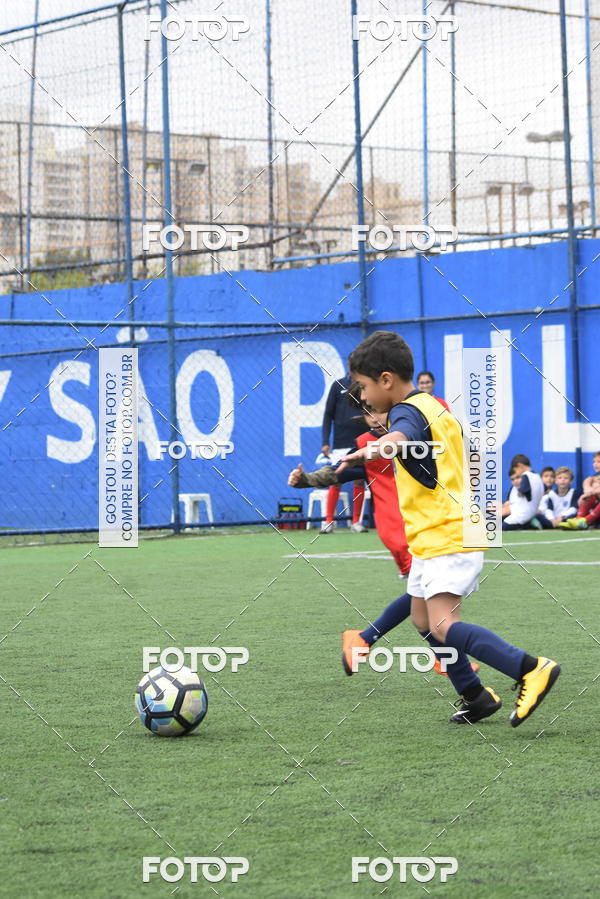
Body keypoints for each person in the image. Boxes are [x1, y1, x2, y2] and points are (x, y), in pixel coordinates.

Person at [337, 330, 560, 726]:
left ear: (386, 380)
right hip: (437, 533)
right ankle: (475, 696)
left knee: (442, 624)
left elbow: (401, 437)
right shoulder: (434, 407)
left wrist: (378, 446)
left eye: (364, 387)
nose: (364, 397)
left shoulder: (407, 411)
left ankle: (530, 668)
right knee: (423, 620)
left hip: (447, 532)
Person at [287, 401, 479, 683]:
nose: (374, 418)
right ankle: (367, 639)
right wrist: (306, 479)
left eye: (377, 411)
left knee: (423, 597)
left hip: (422, 524)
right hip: (400, 527)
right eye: (367, 414)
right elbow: (340, 471)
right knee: (426, 594)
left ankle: (441, 658)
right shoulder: (369, 445)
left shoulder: (413, 433)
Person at [320, 373, 367, 534]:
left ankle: (356, 522)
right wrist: (325, 441)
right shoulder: (337, 385)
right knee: (336, 479)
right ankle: (328, 522)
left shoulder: (366, 383)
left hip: (361, 441)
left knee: (359, 480)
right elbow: (328, 414)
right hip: (340, 442)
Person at [501, 454, 544, 530]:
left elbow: (524, 490)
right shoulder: (538, 477)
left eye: (515, 469)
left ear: (520, 466)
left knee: (502, 526)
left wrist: (519, 492)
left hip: (521, 516)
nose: (516, 472)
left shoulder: (525, 475)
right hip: (531, 513)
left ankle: (529, 524)